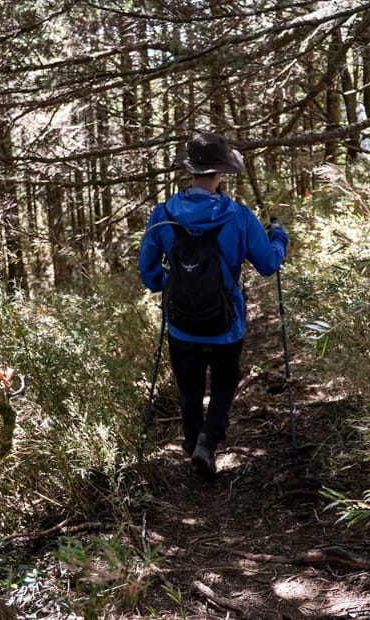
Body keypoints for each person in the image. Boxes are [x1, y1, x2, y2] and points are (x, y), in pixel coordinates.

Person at [139, 132, 289, 477]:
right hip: (226, 324)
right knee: (225, 380)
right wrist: (278, 237)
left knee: (189, 385)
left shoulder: (162, 215)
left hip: (180, 322)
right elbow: (268, 265)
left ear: (190, 172)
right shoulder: (239, 216)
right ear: (221, 172)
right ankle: (208, 441)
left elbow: (148, 274)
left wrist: (174, 284)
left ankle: (192, 443)